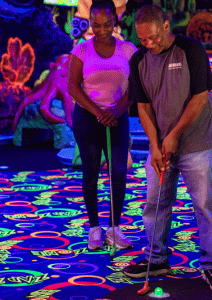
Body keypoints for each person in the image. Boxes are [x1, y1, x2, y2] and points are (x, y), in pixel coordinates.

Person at [123, 4, 212, 292]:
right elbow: (143, 107)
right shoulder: (139, 60)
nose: (149, 44)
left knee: (205, 205)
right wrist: (156, 145)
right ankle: (156, 258)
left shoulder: (190, 50)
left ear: (166, 27)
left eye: (153, 37)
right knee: (154, 203)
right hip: (161, 143)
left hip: (195, 141)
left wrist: (174, 135)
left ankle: (211, 264)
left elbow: (200, 96)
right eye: (143, 39)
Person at [68, 0, 137, 251]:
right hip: (88, 117)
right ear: (90, 23)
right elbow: (73, 87)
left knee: (118, 172)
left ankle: (114, 228)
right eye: (96, 25)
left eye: (107, 24)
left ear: (115, 22)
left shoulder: (128, 50)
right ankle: (94, 228)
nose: (102, 30)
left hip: (117, 116)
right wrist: (98, 112)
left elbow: (136, 88)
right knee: (91, 171)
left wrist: (118, 110)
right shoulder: (82, 50)